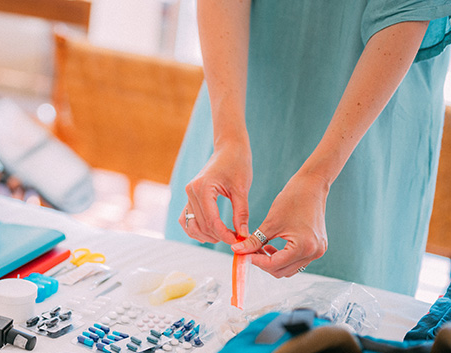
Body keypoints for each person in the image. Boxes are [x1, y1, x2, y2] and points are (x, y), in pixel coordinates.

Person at [165, 0, 451, 296]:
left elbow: (407, 11)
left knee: (341, 315)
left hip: (367, 128)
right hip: (235, 99)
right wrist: (227, 137)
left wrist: (319, 177)